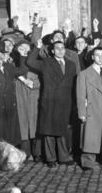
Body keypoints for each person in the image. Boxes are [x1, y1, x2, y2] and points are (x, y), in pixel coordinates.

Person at [27, 40, 76, 168]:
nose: (60, 50)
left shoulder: (71, 64)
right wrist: (37, 47)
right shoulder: (46, 63)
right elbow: (30, 62)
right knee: (49, 130)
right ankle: (51, 158)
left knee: (62, 129)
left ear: (65, 50)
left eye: (62, 48)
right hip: (50, 100)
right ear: (52, 51)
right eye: (57, 48)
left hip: (65, 101)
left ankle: (64, 157)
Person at [0, 40, 28, 174]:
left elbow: (23, 70)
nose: (0, 56)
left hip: (8, 108)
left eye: (2, 53)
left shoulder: (8, 67)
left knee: (7, 136)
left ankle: (4, 164)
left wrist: (23, 56)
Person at [14, 40, 42, 162]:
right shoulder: (13, 61)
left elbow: (43, 78)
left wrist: (34, 84)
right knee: (22, 123)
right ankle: (26, 153)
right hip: (19, 94)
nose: (24, 50)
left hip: (34, 94)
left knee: (35, 122)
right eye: (21, 48)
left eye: (26, 48)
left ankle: (37, 153)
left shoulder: (35, 62)